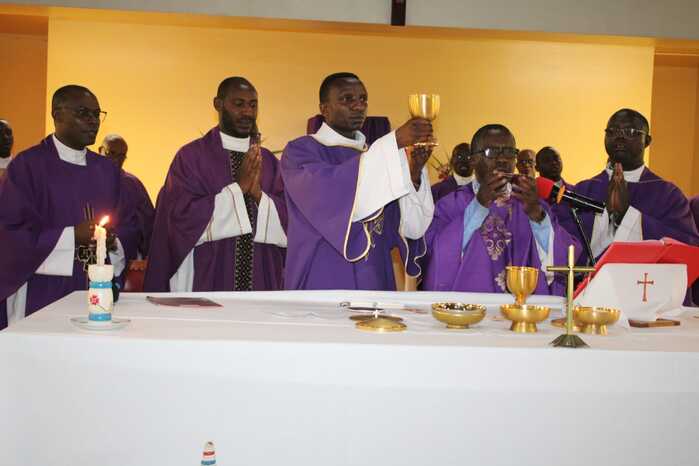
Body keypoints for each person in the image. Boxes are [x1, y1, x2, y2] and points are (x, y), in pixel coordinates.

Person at [281, 72, 434, 290]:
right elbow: (332, 195)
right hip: (324, 276)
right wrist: (394, 142)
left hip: (374, 278)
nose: (358, 106)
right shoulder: (301, 151)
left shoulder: (377, 158)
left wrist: (414, 174)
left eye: (363, 99)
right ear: (324, 109)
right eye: (347, 99)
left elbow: (410, 227)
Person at [0, 85, 133, 329]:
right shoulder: (28, 166)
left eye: (97, 114)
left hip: (97, 289)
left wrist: (113, 240)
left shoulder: (107, 170)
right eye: (83, 113)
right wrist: (72, 236)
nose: (93, 121)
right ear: (57, 115)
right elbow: (10, 233)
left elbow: (128, 223)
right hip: (42, 289)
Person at [144, 77, 286, 292]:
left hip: (262, 277)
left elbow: (290, 218)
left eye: (253, 105)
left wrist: (258, 195)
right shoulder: (191, 157)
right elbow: (178, 216)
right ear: (218, 104)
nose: (247, 112)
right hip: (208, 275)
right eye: (239, 104)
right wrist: (238, 190)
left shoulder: (269, 161)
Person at [422, 124, 579, 294]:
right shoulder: (451, 205)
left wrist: (538, 218)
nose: (503, 159)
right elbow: (435, 256)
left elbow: (563, 259)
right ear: (473, 160)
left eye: (509, 152)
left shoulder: (531, 204)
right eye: (492, 152)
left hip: (522, 306)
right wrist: (479, 206)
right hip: (470, 305)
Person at [558, 109, 699, 265]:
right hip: (591, 281)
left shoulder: (668, 195)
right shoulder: (583, 191)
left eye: (630, 132)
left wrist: (627, 216)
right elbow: (559, 245)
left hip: (647, 281)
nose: (619, 136)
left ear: (647, 141)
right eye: (612, 131)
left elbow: (687, 248)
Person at [99, 134, 155, 262]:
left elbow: (147, 223)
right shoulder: (85, 179)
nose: (116, 160)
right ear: (100, 150)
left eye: (122, 156)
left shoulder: (133, 184)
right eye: (111, 153)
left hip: (123, 252)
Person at [534, 146, 573, 221]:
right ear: (537, 168)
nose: (554, 163)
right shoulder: (530, 195)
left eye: (556, 158)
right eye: (547, 160)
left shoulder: (574, 191)